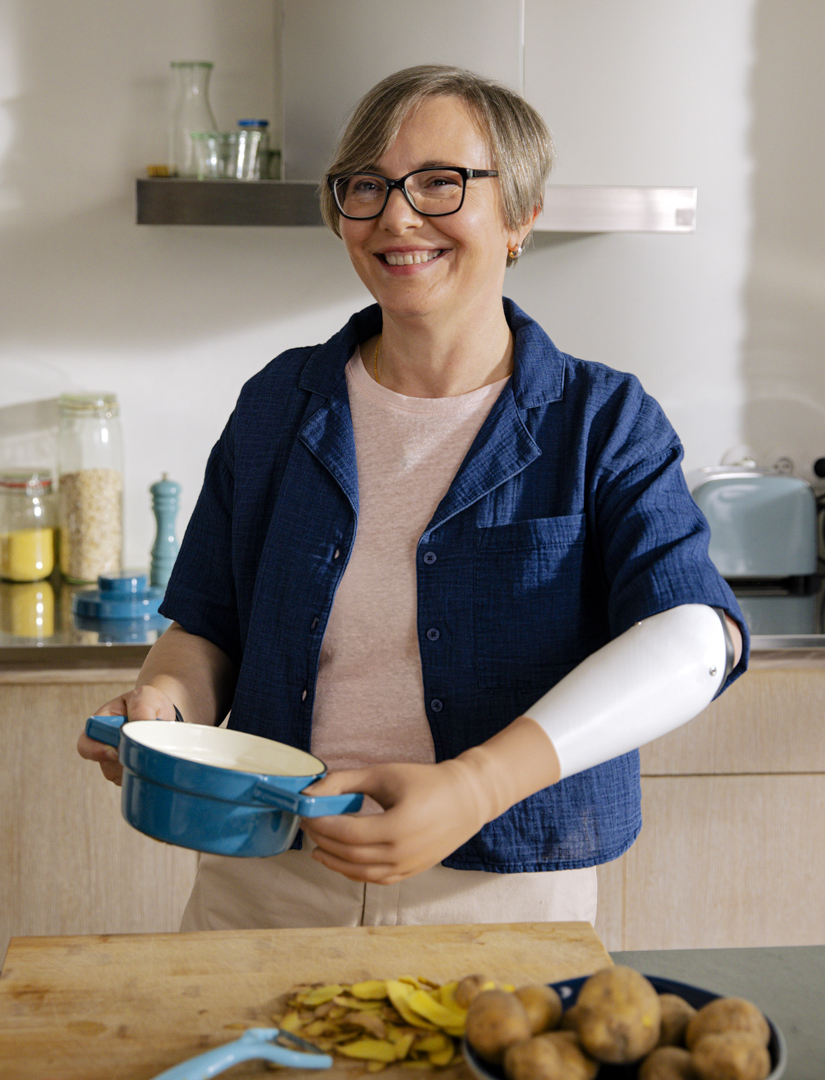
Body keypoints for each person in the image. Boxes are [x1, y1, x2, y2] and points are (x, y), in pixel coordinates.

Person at [76, 64, 748, 931]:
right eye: (369, 185)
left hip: (501, 894)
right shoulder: (279, 404)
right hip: (266, 881)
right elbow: (207, 631)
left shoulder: (603, 420)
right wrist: (163, 718)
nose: (397, 215)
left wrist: (475, 786)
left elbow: (698, 634)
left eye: (441, 182)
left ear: (521, 215)